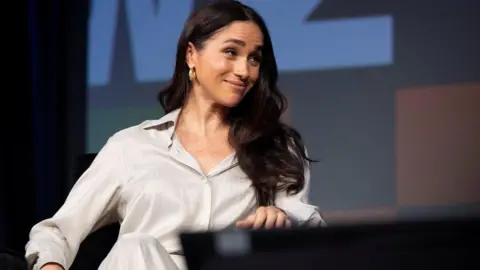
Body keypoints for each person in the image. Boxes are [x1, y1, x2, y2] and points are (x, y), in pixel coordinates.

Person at [25, 1, 325, 269]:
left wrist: (284, 223)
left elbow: (314, 236)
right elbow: (57, 232)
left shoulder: (277, 147)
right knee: (136, 246)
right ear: (192, 55)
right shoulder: (132, 147)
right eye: (231, 52)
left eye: (254, 59)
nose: (244, 70)